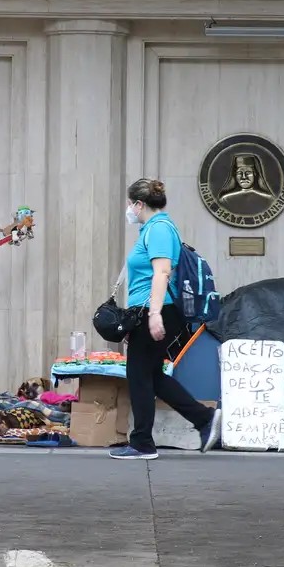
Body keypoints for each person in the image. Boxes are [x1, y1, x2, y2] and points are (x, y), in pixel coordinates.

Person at [110, 177, 222, 460]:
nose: (128, 209)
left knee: (139, 374)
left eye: (129, 204)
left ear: (138, 204)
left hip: (159, 309)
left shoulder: (158, 229)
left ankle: (143, 444)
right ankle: (204, 419)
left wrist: (155, 315)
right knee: (151, 374)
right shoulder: (153, 228)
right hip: (151, 310)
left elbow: (162, 273)